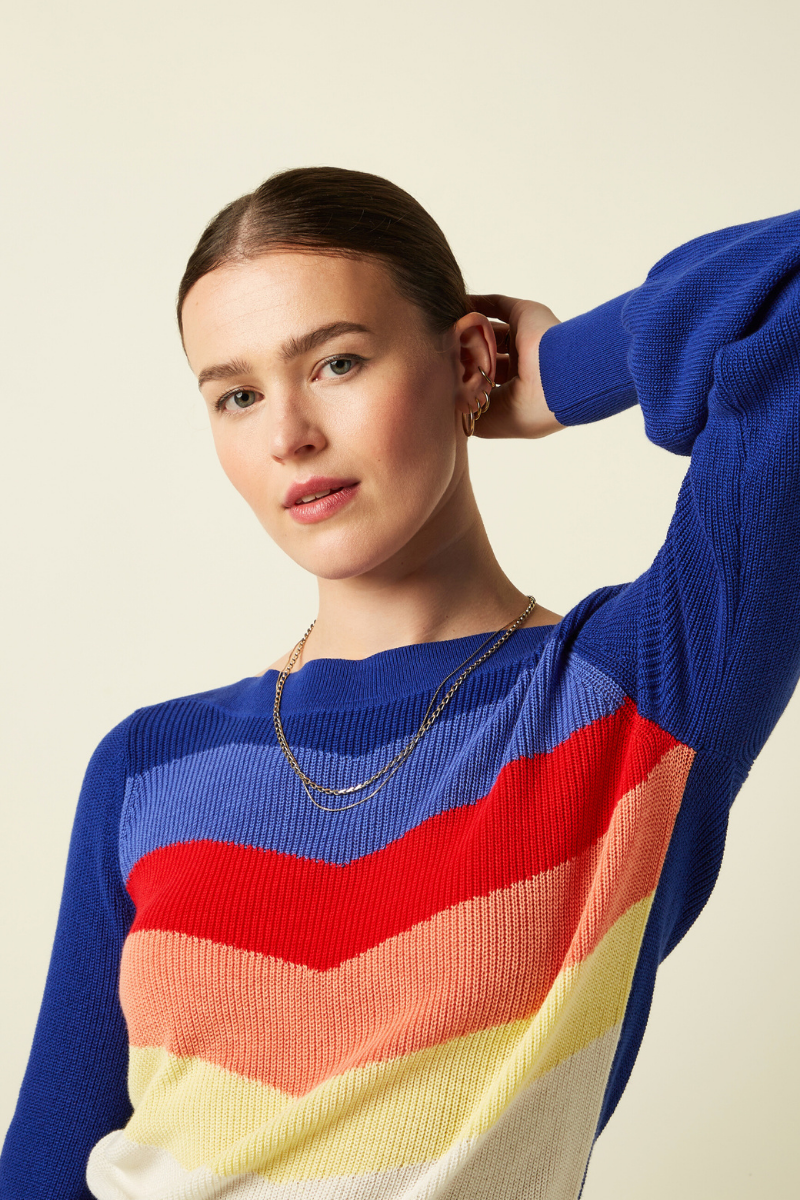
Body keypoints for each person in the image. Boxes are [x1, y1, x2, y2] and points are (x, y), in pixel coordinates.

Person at [1, 166, 799, 1200]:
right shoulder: (148, 767)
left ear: (467, 360)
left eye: (336, 362)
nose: (287, 434)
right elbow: (43, 1167)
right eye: (237, 396)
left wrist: (561, 372)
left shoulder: (639, 696)